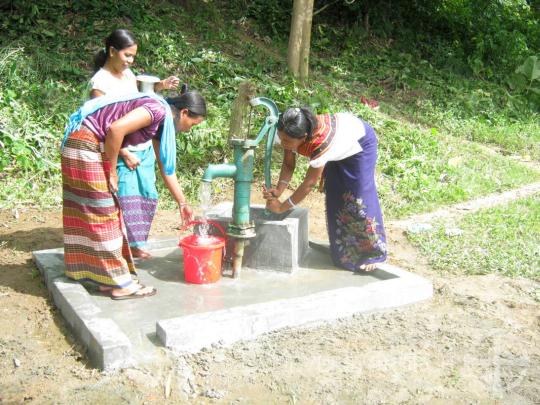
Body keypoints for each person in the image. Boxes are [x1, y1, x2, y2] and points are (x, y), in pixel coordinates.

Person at [61, 91, 206, 299]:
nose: (188, 130)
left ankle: (105, 278)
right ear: (184, 113)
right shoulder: (156, 111)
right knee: (105, 214)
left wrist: (182, 203)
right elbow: (115, 129)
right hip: (86, 144)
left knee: (96, 213)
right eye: (192, 124)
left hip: (85, 145)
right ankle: (121, 285)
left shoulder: (161, 126)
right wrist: (111, 171)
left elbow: (167, 168)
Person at [90, 28, 180, 259]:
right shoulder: (99, 83)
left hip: (143, 147)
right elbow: (104, 125)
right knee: (125, 198)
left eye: (133, 56)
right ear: (112, 51)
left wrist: (161, 85)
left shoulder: (128, 75)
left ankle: (138, 242)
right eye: (127, 55)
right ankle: (124, 246)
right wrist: (124, 153)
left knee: (146, 195)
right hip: (120, 151)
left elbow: (140, 96)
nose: (130, 61)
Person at [263, 107, 387, 272]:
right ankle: (346, 253)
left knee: (358, 197)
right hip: (337, 147)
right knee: (336, 194)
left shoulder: (321, 144)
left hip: (360, 144)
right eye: (281, 138)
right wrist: (279, 190)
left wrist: (281, 207)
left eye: (287, 141)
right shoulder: (289, 128)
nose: (283, 143)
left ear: (304, 137)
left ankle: (374, 253)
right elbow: (288, 163)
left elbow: (309, 183)